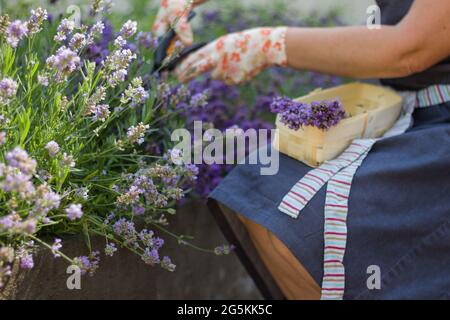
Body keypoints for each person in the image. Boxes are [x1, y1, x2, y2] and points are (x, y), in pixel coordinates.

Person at [153, 0, 450, 299]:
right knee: (263, 190)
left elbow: (411, 49)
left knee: (304, 217)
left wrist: (268, 45)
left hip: (440, 131)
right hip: (407, 108)